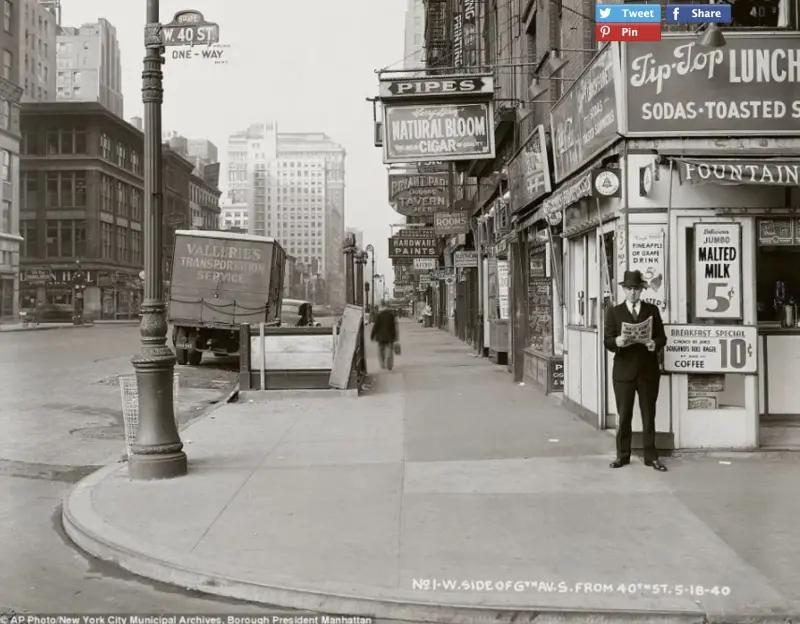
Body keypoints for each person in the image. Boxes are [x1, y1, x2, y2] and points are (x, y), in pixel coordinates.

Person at [604, 270, 668, 472]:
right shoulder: (614, 312)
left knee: (649, 415)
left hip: (647, 371)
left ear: (641, 290)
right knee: (624, 416)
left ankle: (651, 457)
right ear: (624, 290)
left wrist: (653, 344)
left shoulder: (652, 310)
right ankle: (622, 456)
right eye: (629, 289)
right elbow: (607, 340)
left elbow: (662, 338)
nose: (633, 293)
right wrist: (617, 341)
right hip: (623, 372)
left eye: (636, 289)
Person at [371, 303, 398, 370]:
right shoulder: (391, 315)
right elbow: (393, 327)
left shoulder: (379, 316)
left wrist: (372, 335)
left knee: (381, 351)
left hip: (381, 337)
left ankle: (382, 363)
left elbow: (375, 327)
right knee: (390, 351)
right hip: (389, 336)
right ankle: (389, 365)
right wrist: (394, 336)